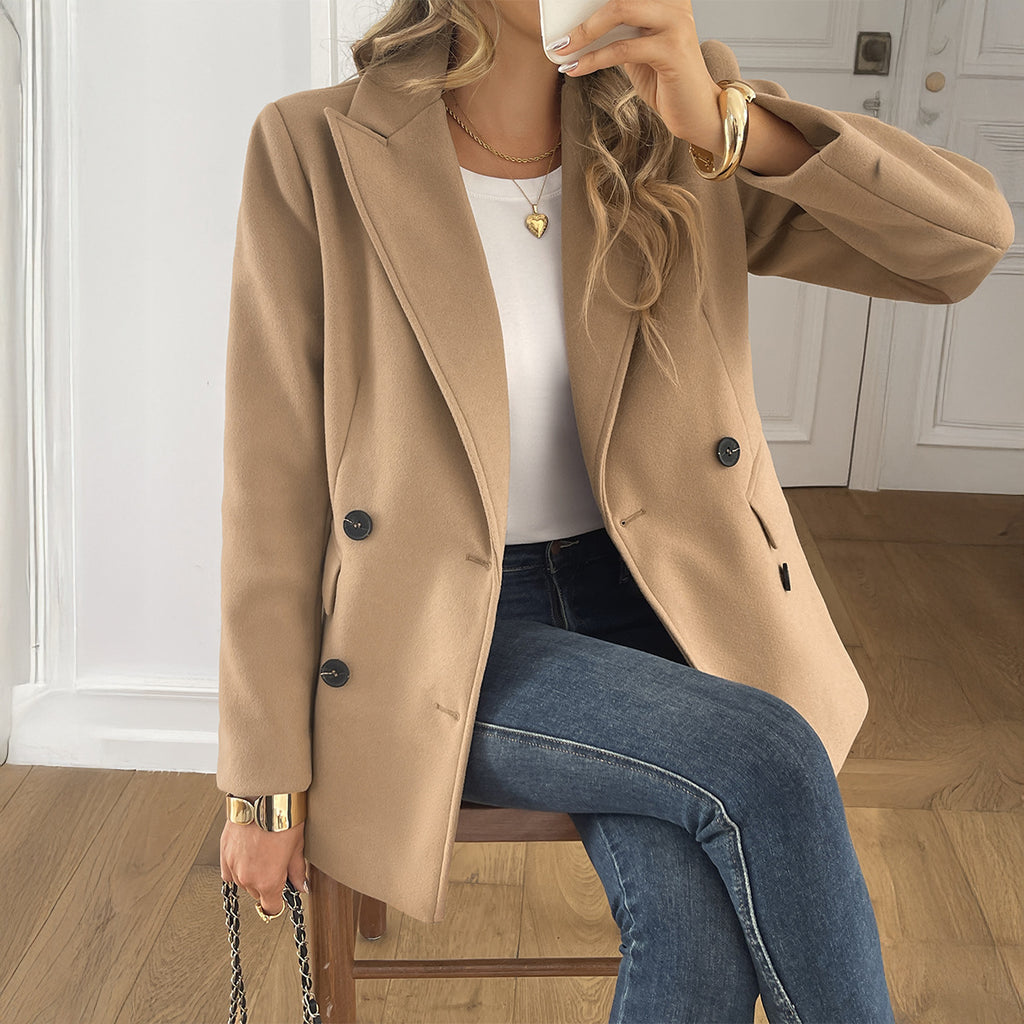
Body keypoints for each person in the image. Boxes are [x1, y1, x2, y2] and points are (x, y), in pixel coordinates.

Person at [217, 2, 1015, 1021]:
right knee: (768, 755)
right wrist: (261, 783)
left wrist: (725, 120)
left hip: (655, 596)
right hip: (440, 632)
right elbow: (270, 481)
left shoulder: (673, 124)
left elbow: (962, 245)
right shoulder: (316, 146)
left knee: (691, 911)